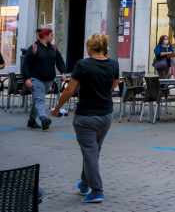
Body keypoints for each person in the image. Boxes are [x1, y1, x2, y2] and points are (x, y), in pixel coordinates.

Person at [50, 33, 119, 204]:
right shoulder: (113, 64)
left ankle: (97, 191)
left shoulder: (83, 64)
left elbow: (69, 90)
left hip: (85, 116)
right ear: (105, 48)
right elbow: (115, 83)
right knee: (92, 152)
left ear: (89, 48)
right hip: (106, 115)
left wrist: (57, 108)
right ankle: (84, 184)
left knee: (90, 152)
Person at [21, 27, 66, 130]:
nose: (53, 37)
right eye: (51, 35)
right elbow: (26, 65)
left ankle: (31, 121)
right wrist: (27, 78)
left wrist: (63, 72)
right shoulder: (33, 48)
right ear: (45, 36)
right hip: (36, 78)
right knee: (40, 99)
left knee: (38, 99)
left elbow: (59, 61)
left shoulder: (53, 48)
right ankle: (43, 119)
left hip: (49, 79)